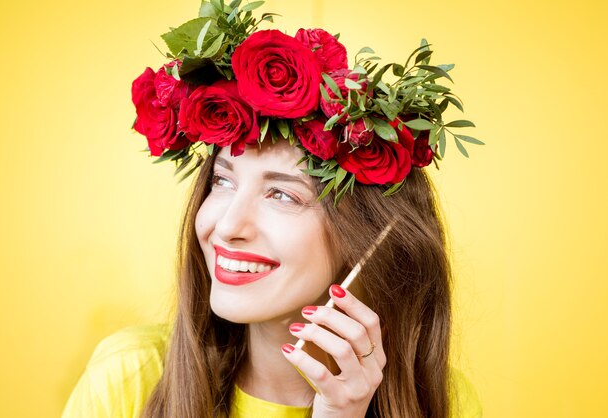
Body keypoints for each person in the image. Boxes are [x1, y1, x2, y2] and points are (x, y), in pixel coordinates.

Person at [62, 2, 483, 417]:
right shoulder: (128, 377)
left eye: (283, 195)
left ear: (368, 238)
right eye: (222, 181)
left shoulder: (445, 400)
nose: (226, 226)